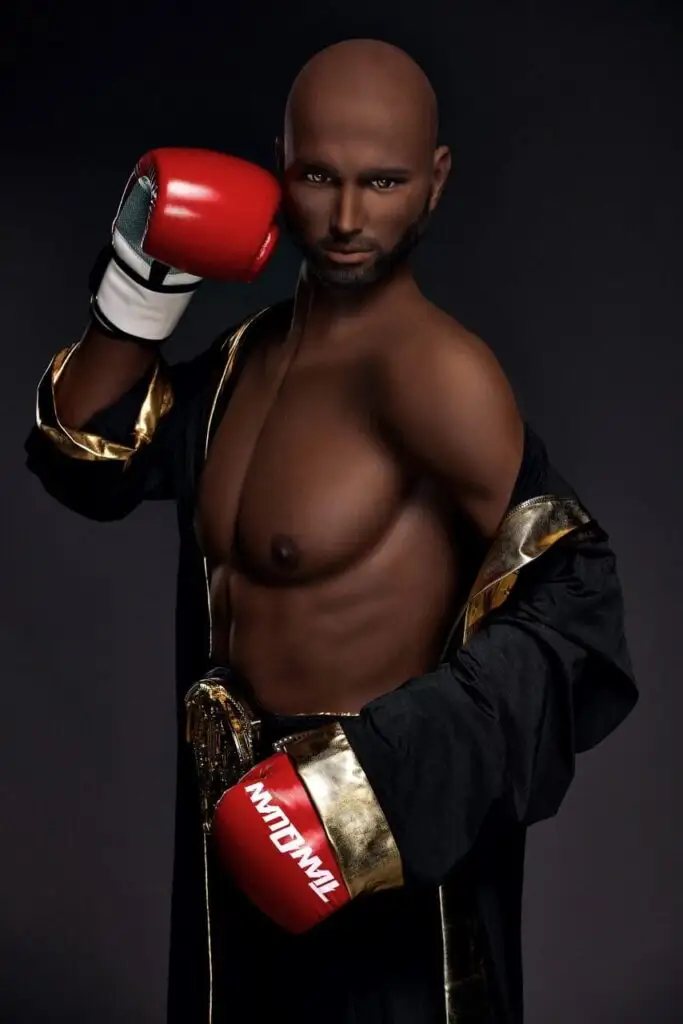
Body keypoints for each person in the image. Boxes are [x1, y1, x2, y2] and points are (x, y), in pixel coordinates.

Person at [25, 38, 637, 1024]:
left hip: (371, 851)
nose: (347, 217)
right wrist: (139, 280)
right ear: (280, 164)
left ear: (435, 180)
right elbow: (89, 464)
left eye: (382, 182)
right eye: (318, 176)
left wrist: (369, 782)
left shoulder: (437, 377)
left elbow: (578, 601)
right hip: (230, 823)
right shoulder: (245, 359)